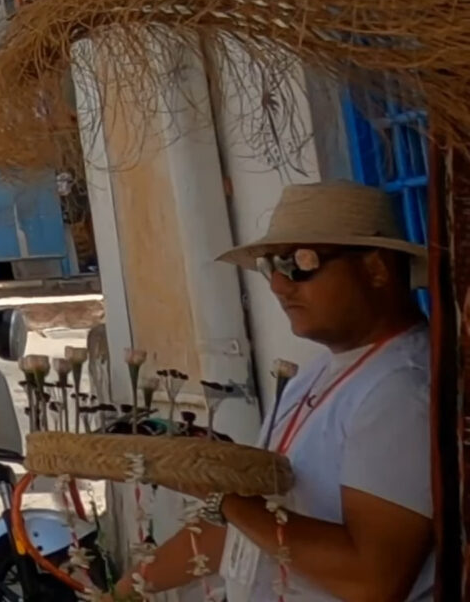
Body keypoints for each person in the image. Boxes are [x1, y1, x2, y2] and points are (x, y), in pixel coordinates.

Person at [129, 182, 433, 602]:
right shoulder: (319, 373)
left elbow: (372, 580)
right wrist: (126, 591)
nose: (277, 284)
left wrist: (225, 498)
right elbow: (245, 526)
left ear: (377, 269)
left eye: (299, 263)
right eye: (270, 264)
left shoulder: (401, 389)